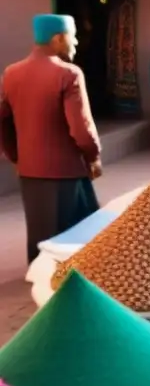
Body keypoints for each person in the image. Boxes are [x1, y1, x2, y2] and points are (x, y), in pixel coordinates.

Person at [0, 15, 102, 263]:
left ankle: (39, 279)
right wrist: (93, 156)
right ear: (59, 38)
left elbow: (2, 121)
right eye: (73, 36)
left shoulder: (11, 73)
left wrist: (16, 156)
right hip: (66, 170)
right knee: (78, 235)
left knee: (40, 229)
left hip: (30, 171)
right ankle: (73, 286)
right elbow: (81, 127)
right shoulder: (68, 74)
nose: (76, 42)